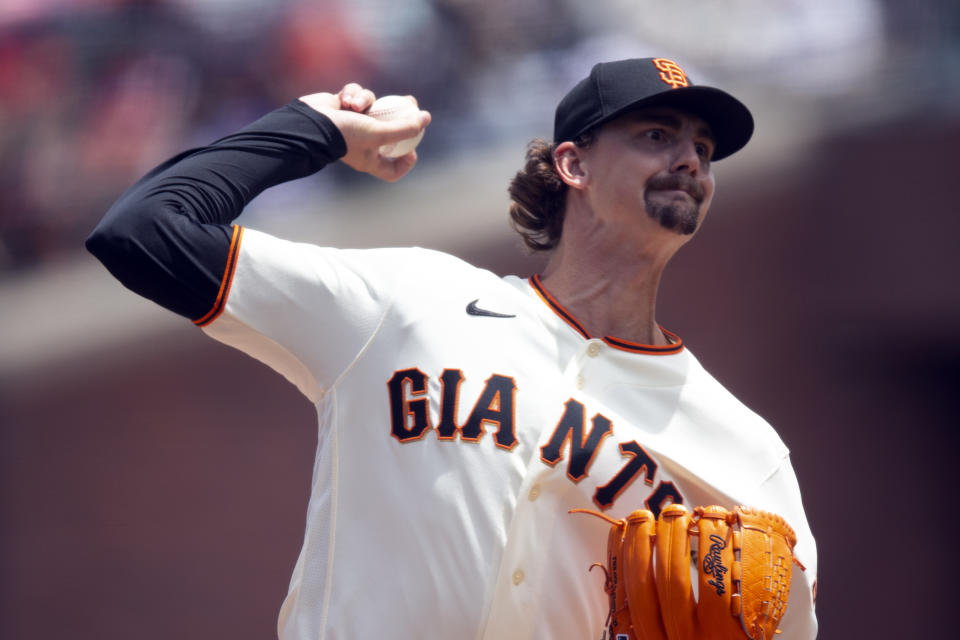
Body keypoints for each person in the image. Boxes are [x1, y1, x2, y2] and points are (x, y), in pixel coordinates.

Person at [87, 57, 817, 639]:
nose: (691, 159)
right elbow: (144, 231)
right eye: (658, 135)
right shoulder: (407, 302)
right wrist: (321, 126)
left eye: (704, 148)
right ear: (574, 165)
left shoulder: (744, 451)